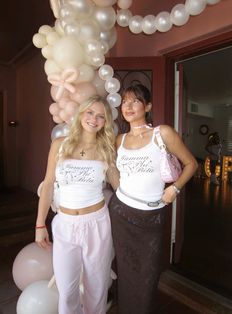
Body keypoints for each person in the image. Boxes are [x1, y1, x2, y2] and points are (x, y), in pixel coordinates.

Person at [108, 84, 198, 314]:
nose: (127, 106)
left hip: (151, 216)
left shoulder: (162, 133)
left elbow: (191, 164)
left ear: (147, 106)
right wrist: (119, 194)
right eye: (124, 101)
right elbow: (116, 173)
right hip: (121, 214)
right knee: (126, 271)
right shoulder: (120, 139)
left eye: (135, 101)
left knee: (147, 273)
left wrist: (174, 189)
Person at [35, 95, 119, 314]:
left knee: (96, 287)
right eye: (90, 112)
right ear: (81, 114)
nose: (94, 119)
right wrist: (39, 224)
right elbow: (48, 185)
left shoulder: (106, 149)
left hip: (97, 224)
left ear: (105, 122)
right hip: (65, 225)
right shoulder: (59, 145)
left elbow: (119, 186)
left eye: (101, 116)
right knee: (67, 290)